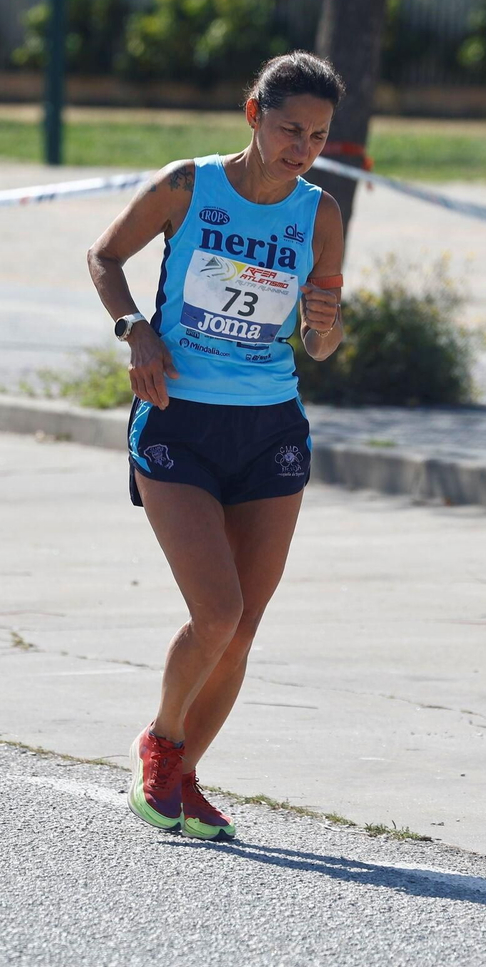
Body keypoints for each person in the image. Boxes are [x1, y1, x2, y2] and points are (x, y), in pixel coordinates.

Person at [86, 51, 348, 840]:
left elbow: (320, 340)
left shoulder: (320, 213)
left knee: (245, 627)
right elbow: (104, 257)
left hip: (270, 427)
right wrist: (135, 331)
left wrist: (325, 329)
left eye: (319, 135)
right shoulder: (186, 185)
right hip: (177, 418)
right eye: (290, 129)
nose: (303, 147)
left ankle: (186, 775)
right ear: (253, 116)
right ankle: (159, 744)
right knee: (217, 612)